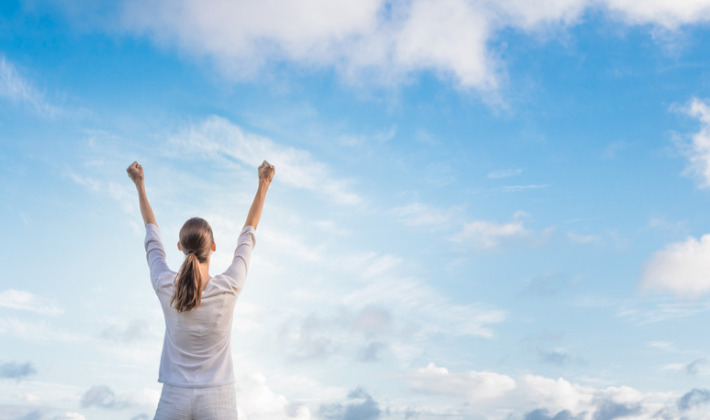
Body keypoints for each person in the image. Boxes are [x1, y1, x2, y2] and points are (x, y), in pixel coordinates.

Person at [126, 160, 275, 420]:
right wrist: (263, 183)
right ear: (213, 247)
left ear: (180, 247)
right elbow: (247, 237)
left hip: (175, 398)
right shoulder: (229, 286)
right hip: (219, 398)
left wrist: (140, 185)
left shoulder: (165, 285)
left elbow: (152, 238)